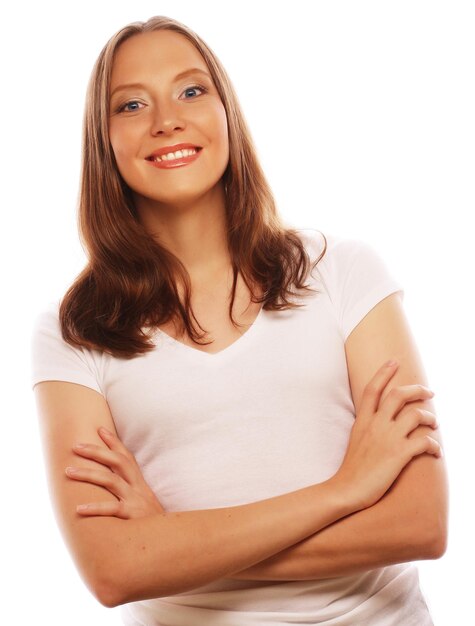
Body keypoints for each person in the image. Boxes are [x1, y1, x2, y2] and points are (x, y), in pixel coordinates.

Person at [30, 15, 448, 626]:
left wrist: (171, 544)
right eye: (131, 104)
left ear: (228, 114)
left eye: (192, 91)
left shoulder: (342, 272)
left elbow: (420, 523)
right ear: (104, 141)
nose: (167, 119)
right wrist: (346, 491)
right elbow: (115, 569)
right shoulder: (75, 331)